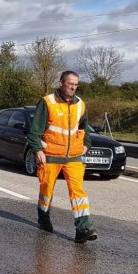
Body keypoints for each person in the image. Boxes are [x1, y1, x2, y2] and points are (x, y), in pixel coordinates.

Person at [27, 71, 97, 243]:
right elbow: (35, 131)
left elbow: (85, 127)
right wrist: (37, 150)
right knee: (46, 192)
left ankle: (83, 229)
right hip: (50, 155)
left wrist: (86, 144)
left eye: (76, 84)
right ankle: (43, 219)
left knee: (78, 192)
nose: (73, 87)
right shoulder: (47, 102)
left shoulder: (80, 104)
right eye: (70, 83)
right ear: (61, 83)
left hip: (73, 156)